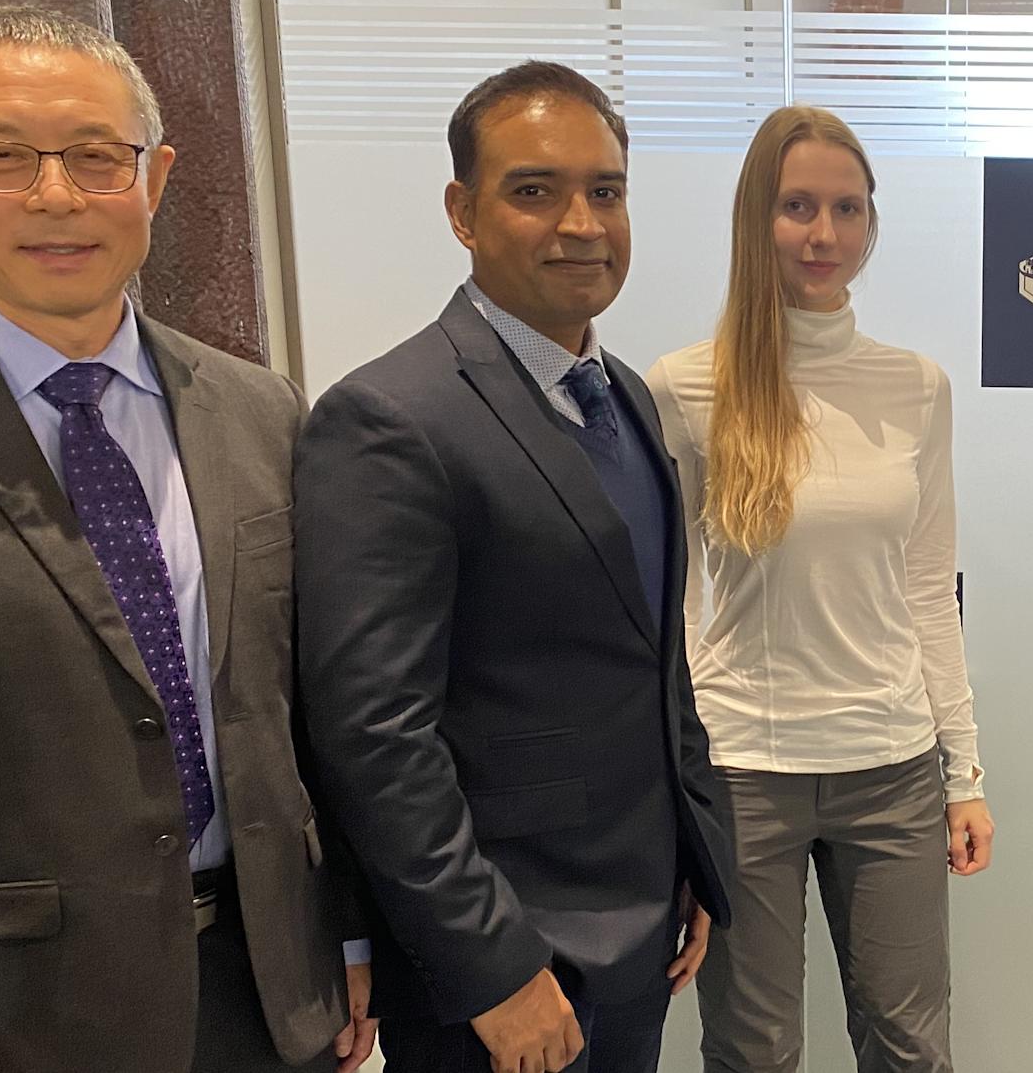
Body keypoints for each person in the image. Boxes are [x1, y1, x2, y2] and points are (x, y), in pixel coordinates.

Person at [0, 5, 372, 1073]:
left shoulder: (259, 410)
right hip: (16, 1022)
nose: (57, 196)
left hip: (273, 996)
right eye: (1, 157)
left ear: (153, 179)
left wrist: (345, 931)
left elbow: (304, 711)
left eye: (95, 156)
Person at [294, 60, 732, 1073]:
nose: (582, 224)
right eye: (535, 191)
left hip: (637, 933)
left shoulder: (621, 395)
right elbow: (373, 733)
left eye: (606, 191)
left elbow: (651, 658)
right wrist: (490, 967)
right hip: (505, 968)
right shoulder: (391, 420)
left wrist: (695, 856)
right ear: (462, 212)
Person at [645, 105, 989, 1073]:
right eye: (797, 206)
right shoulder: (684, 386)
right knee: (753, 1052)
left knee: (911, 1047)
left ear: (871, 222)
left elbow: (928, 589)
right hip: (744, 768)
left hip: (891, 764)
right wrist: (670, 785)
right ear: (757, 216)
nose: (823, 233)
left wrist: (964, 774)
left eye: (847, 208)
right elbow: (667, 604)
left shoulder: (917, 388)